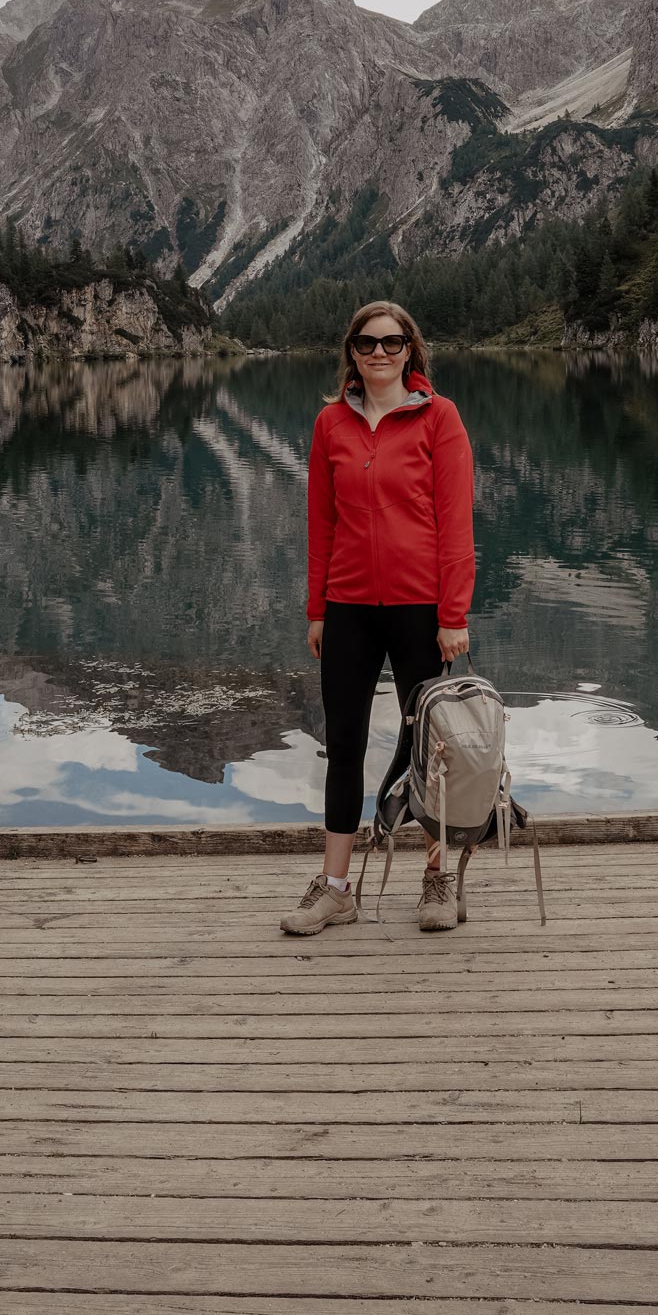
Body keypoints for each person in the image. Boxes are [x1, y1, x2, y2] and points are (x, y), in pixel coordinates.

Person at [281, 299, 475, 937]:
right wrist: (317, 610)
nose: (380, 355)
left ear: (411, 352)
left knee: (434, 748)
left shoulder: (439, 419)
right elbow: (322, 524)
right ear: (352, 355)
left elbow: (455, 526)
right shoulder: (330, 424)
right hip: (349, 610)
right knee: (344, 746)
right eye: (367, 345)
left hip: (422, 610)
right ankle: (336, 888)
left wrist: (454, 615)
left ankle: (437, 878)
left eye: (392, 344)